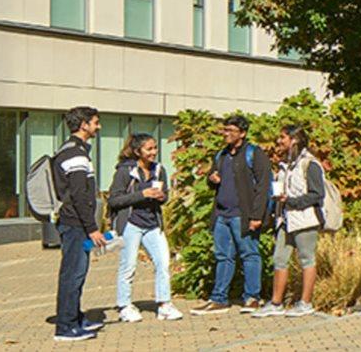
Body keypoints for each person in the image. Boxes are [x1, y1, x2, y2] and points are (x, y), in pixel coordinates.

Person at [192, 115, 271, 315]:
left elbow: (263, 187)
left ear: (242, 134)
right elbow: (213, 181)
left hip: (242, 215)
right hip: (221, 214)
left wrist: (257, 216)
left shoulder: (254, 154)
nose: (226, 134)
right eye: (224, 130)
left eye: (231, 130)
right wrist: (212, 179)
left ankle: (252, 297)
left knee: (249, 254)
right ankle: (219, 299)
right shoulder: (221, 155)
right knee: (223, 256)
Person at [107, 133, 181, 323]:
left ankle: (164, 304)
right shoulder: (125, 171)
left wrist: (162, 197)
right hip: (131, 224)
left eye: (155, 148)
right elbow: (114, 200)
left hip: (153, 224)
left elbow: (165, 196)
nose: (153, 152)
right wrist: (143, 194)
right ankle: (124, 305)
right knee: (128, 266)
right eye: (149, 149)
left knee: (163, 263)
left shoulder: (159, 170)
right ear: (137, 151)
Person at [255, 126, 326, 318]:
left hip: (305, 220)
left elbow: (318, 194)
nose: (279, 141)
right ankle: (276, 303)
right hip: (285, 220)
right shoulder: (285, 165)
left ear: (294, 140)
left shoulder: (309, 164)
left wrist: (291, 201)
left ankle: (305, 303)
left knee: (306, 259)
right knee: (279, 259)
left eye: (282, 137)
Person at [53, 106, 106, 342]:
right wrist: (92, 228)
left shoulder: (74, 150)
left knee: (77, 273)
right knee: (73, 274)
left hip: (76, 224)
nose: (98, 126)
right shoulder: (75, 154)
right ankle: (66, 327)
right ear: (83, 125)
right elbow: (78, 195)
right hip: (75, 224)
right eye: (95, 122)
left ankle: (75, 318)